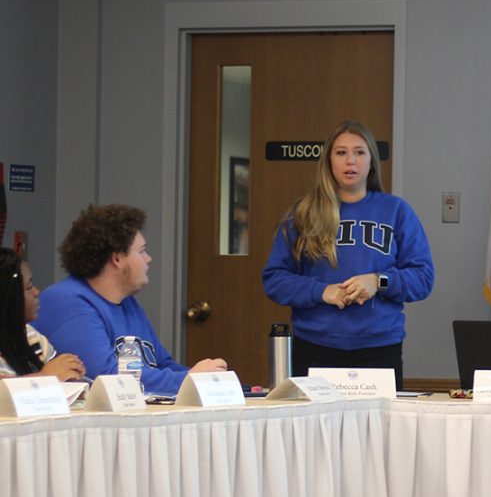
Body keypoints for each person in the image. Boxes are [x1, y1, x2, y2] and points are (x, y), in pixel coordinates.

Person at [263, 120, 434, 389]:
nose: (350, 161)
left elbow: (423, 278)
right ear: (329, 161)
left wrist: (379, 281)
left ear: (372, 161)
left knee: (378, 432)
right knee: (318, 431)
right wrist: (322, 291)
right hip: (315, 346)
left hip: (380, 347)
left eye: (359, 152)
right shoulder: (303, 213)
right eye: (341, 153)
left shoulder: (396, 211)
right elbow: (275, 279)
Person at [33, 204, 227, 395]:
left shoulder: (127, 302)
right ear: (117, 258)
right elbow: (105, 378)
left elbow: (161, 364)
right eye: (141, 251)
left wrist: (207, 379)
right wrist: (189, 380)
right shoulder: (67, 301)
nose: (148, 258)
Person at [0, 248, 85, 380]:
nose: (36, 292)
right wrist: (45, 377)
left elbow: (59, 373)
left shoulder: (30, 335)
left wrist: (70, 372)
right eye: (28, 287)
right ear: (6, 296)